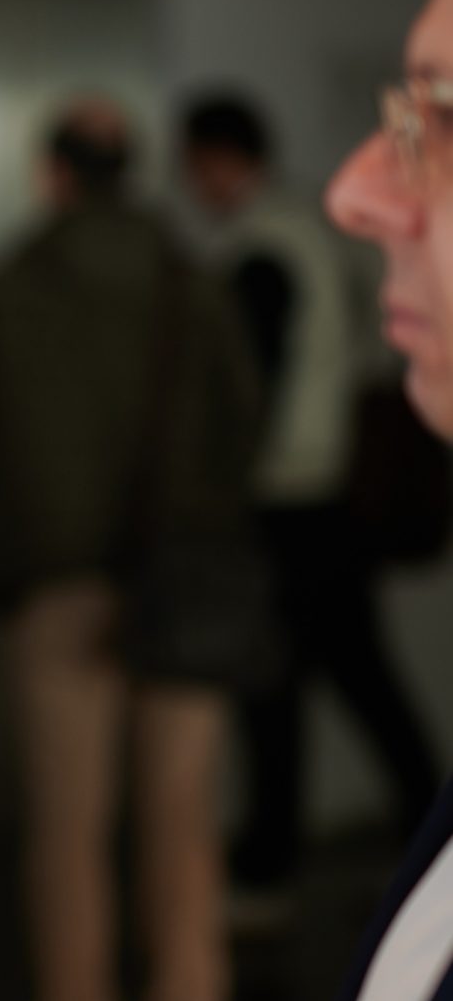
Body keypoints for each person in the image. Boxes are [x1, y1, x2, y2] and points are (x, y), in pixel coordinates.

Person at [78, 0, 453, 1001]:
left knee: (309, 705)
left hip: (286, 520)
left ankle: (269, 867)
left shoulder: (251, 259)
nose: (364, 186)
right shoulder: (271, 249)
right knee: (335, 702)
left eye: (436, 119)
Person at [0, 100, 259, 1001]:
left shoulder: (5, 289)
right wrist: (203, 519)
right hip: (183, 587)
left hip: (55, 589)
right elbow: (241, 417)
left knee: (66, 825)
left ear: (53, 174)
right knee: (181, 816)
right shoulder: (187, 280)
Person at [181, 92, 439, 881]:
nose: (191, 185)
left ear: (217, 159)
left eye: (192, 167)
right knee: (349, 678)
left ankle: (275, 861)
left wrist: (214, 482)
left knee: (292, 685)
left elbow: (250, 389)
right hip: (328, 490)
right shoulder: (310, 228)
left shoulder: (261, 247)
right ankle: (382, 840)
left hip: (289, 499)